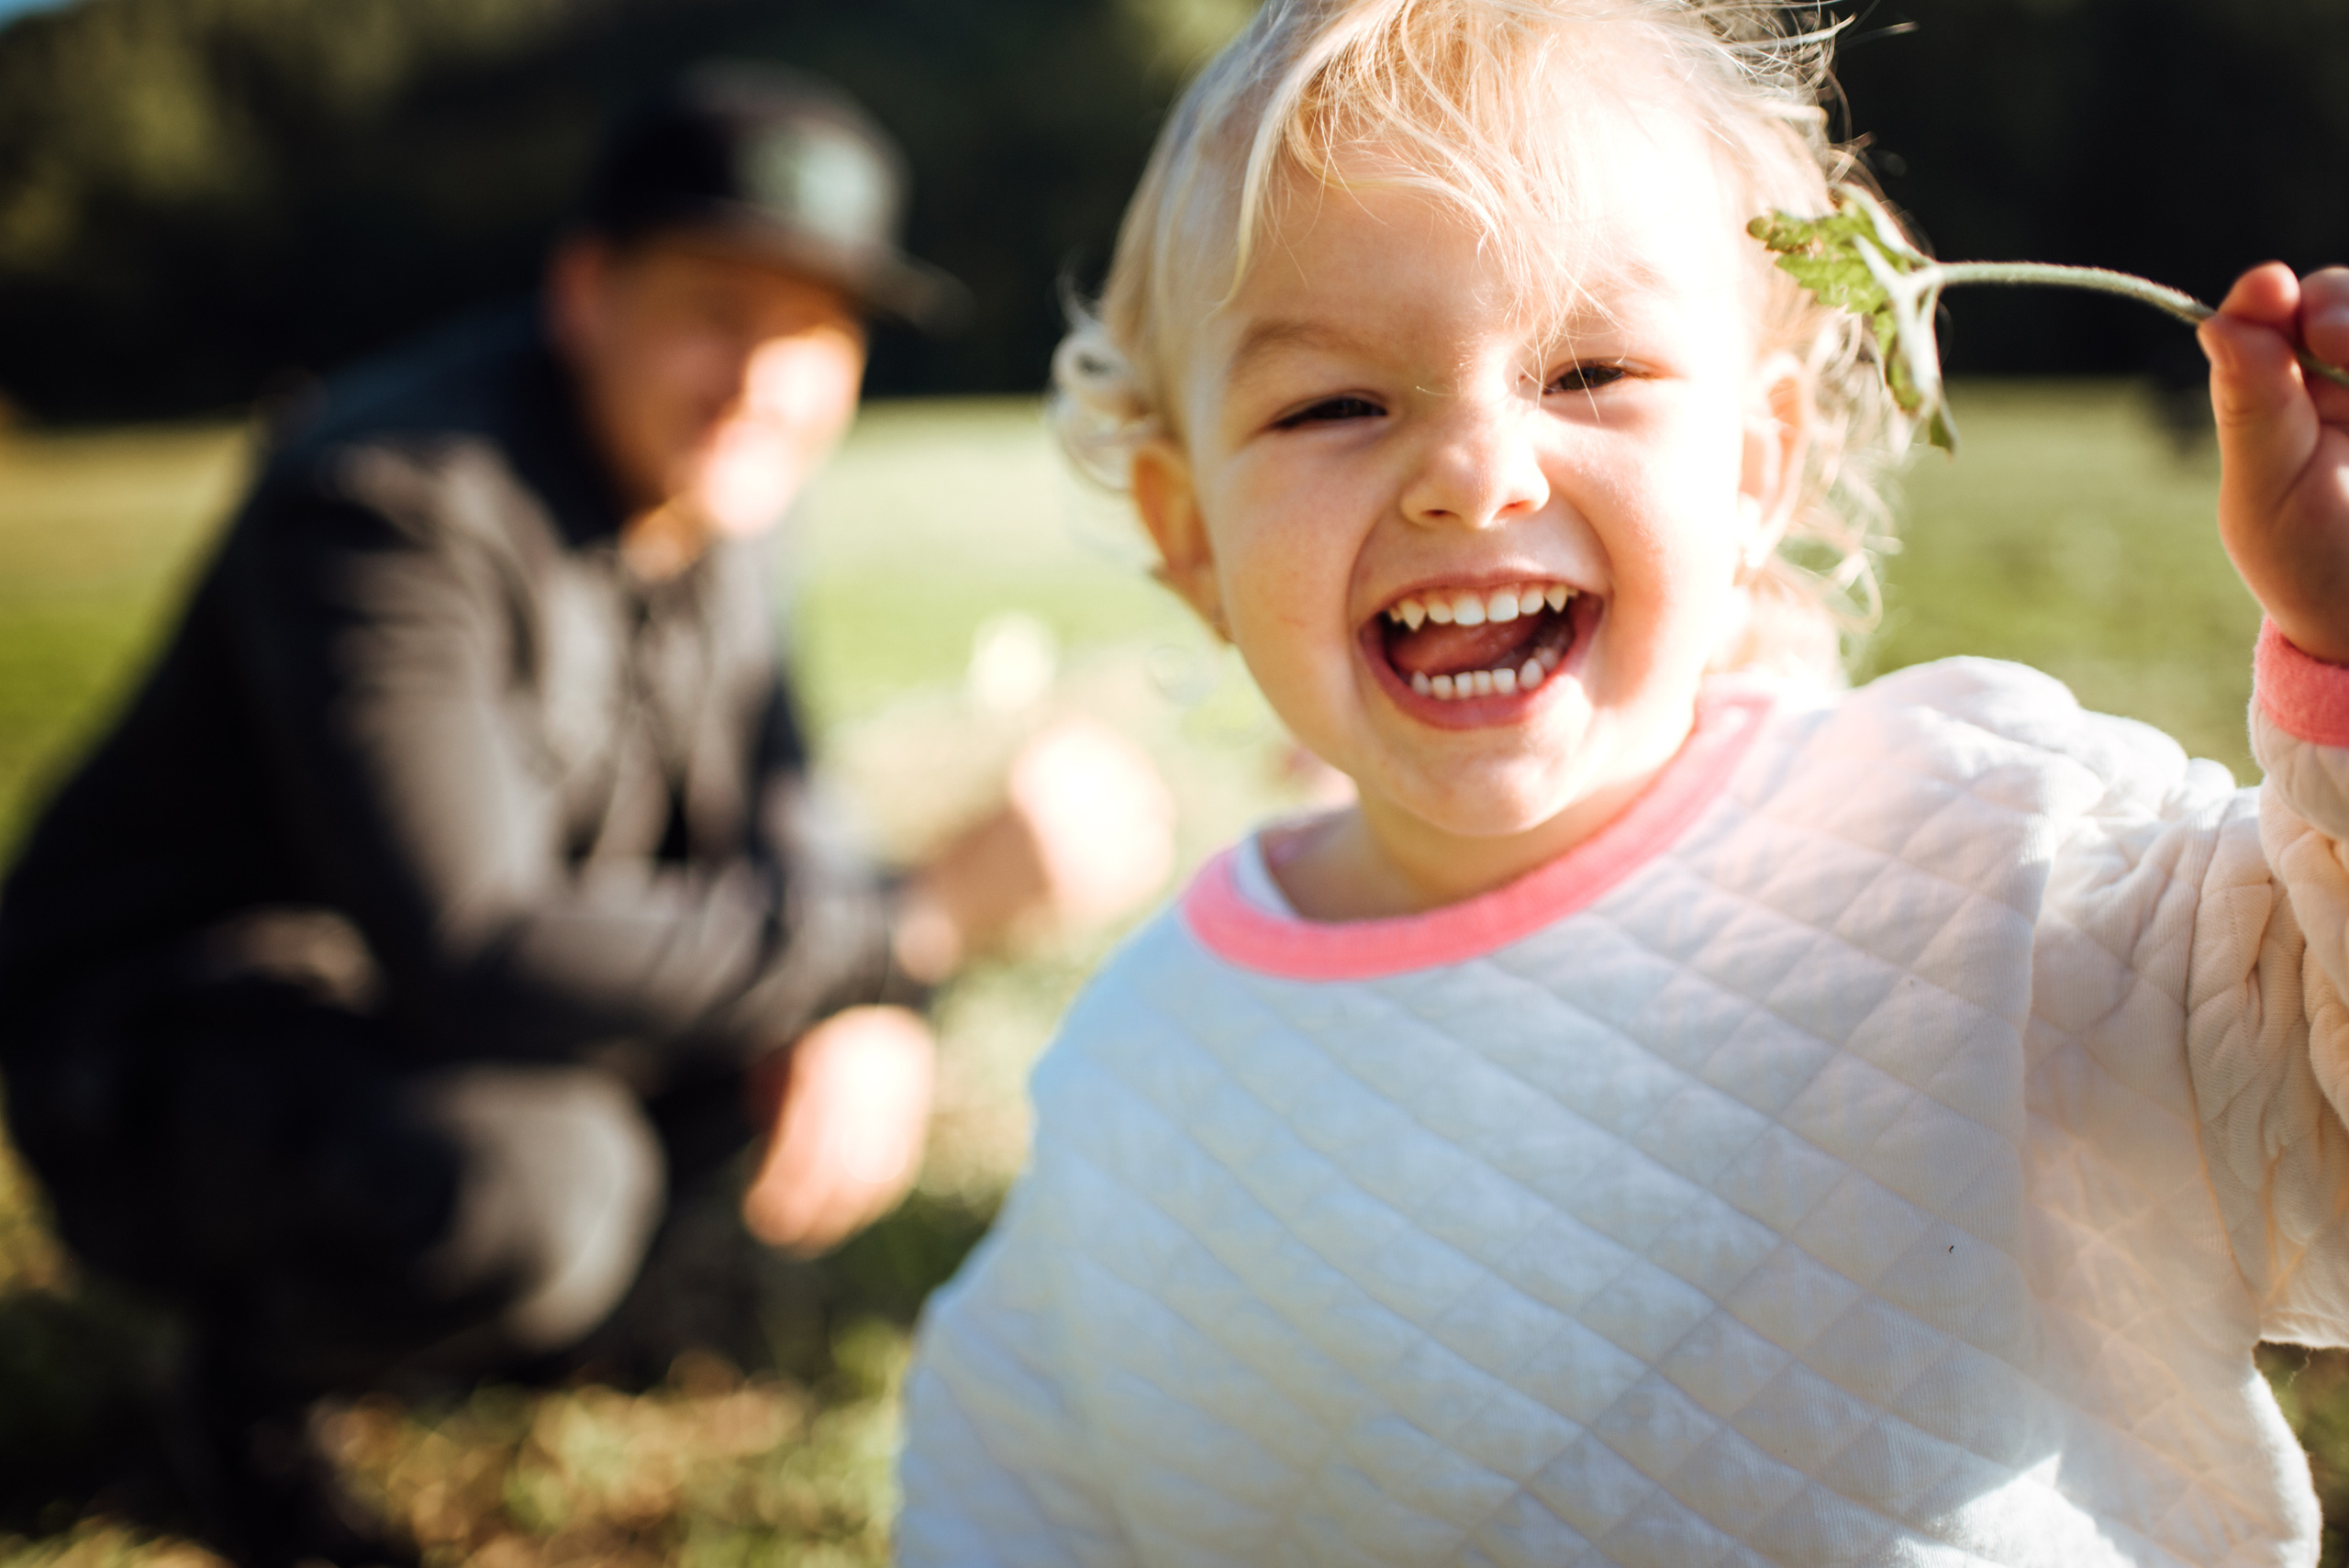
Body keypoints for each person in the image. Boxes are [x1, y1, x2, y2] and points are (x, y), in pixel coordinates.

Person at [894, 1, 2349, 1562]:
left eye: (1587, 370)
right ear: (1191, 537)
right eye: (1334, 403)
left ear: (1751, 465)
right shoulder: (1159, 1052)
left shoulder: (2008, 861)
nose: (1474, 471)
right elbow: (1020, 1483)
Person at [0, 64, 1170, 1568]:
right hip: (177, 1039)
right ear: (586, 289)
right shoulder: (388, 502)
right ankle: (237, 1395)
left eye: (812, 328)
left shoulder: (727, 488)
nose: (760, 376)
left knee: (713, 1089)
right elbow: (478, 942)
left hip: (424, 1019)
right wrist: (920, 915)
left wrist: (868, 989)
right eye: (713, 309)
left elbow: (775, 801)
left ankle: (507, 1312)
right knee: (542, 1187)